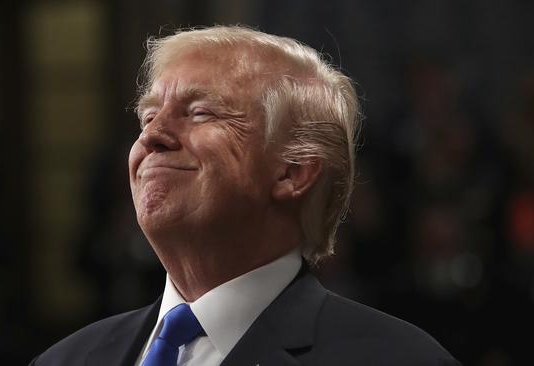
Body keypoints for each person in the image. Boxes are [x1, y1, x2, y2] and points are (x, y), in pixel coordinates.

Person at [30, 25, 460, 366]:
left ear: (292, 172)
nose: (152, 136)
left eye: (199, 113)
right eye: (147, 115)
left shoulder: (394, 359)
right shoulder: (65, 359)